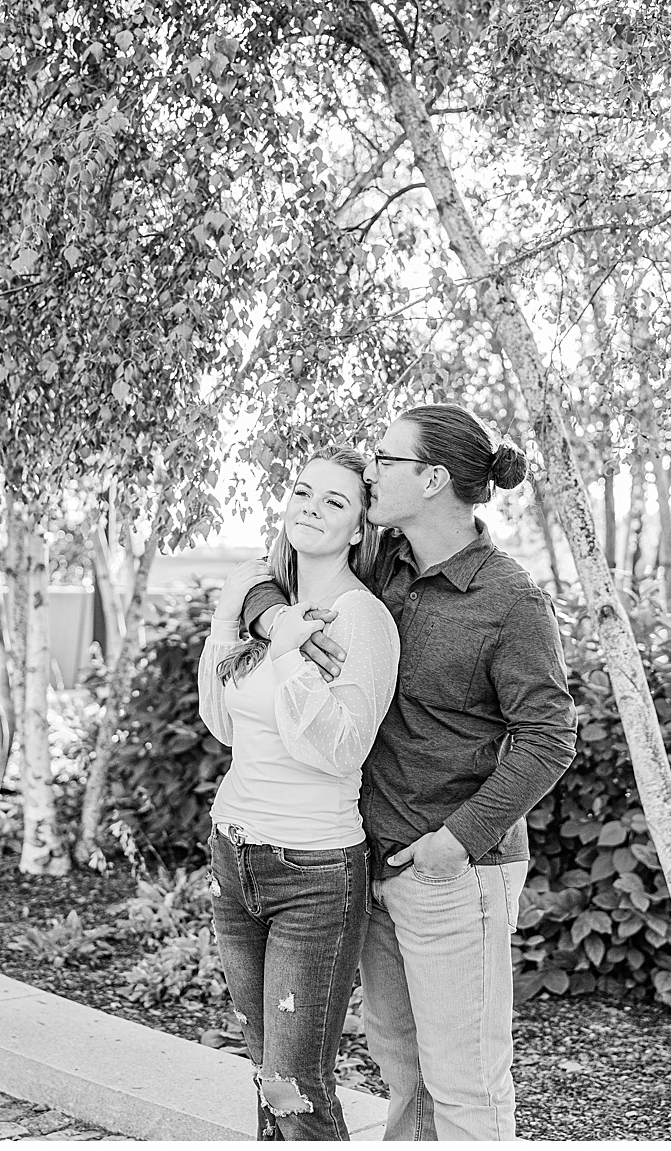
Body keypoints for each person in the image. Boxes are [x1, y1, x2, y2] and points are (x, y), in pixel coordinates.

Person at [240, 404, 577, 1140]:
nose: (370, 470)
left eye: (385, 459)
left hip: (458, 871)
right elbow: (272, 573)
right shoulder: (381, 560)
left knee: (466, 1083)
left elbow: (551, 736)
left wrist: (455, 841)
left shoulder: (510, 599)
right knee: (405, 1074)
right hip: (373, 863)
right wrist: (274, 620)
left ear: (431, 478)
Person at [198, 447, 398, 1140]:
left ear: (358, 529)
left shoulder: (361, 618)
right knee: (270, 1075)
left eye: (335, 501)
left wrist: (289, 658)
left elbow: (343, 748)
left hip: (313, 871)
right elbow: (223, 722)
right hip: (235, 859)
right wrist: (235, 614)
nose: (311, 506)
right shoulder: (270, 606)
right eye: (303, 491)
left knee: (300, 1084)